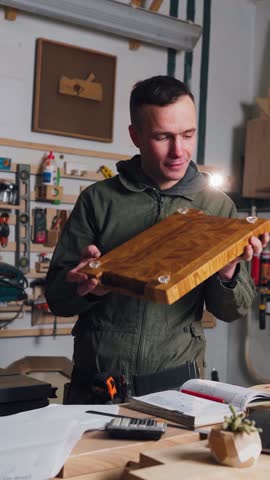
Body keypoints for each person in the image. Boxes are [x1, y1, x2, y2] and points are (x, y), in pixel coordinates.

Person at [45, 75, 269, 404]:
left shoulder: (217, 207)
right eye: (163, 137)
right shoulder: (99, 200)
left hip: (177, 386)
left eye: (188, 135)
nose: (179, 151)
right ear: (135, 136)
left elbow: (232, 311)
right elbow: (57, 300)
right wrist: (88, 286)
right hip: (98, 384)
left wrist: (228, 274)